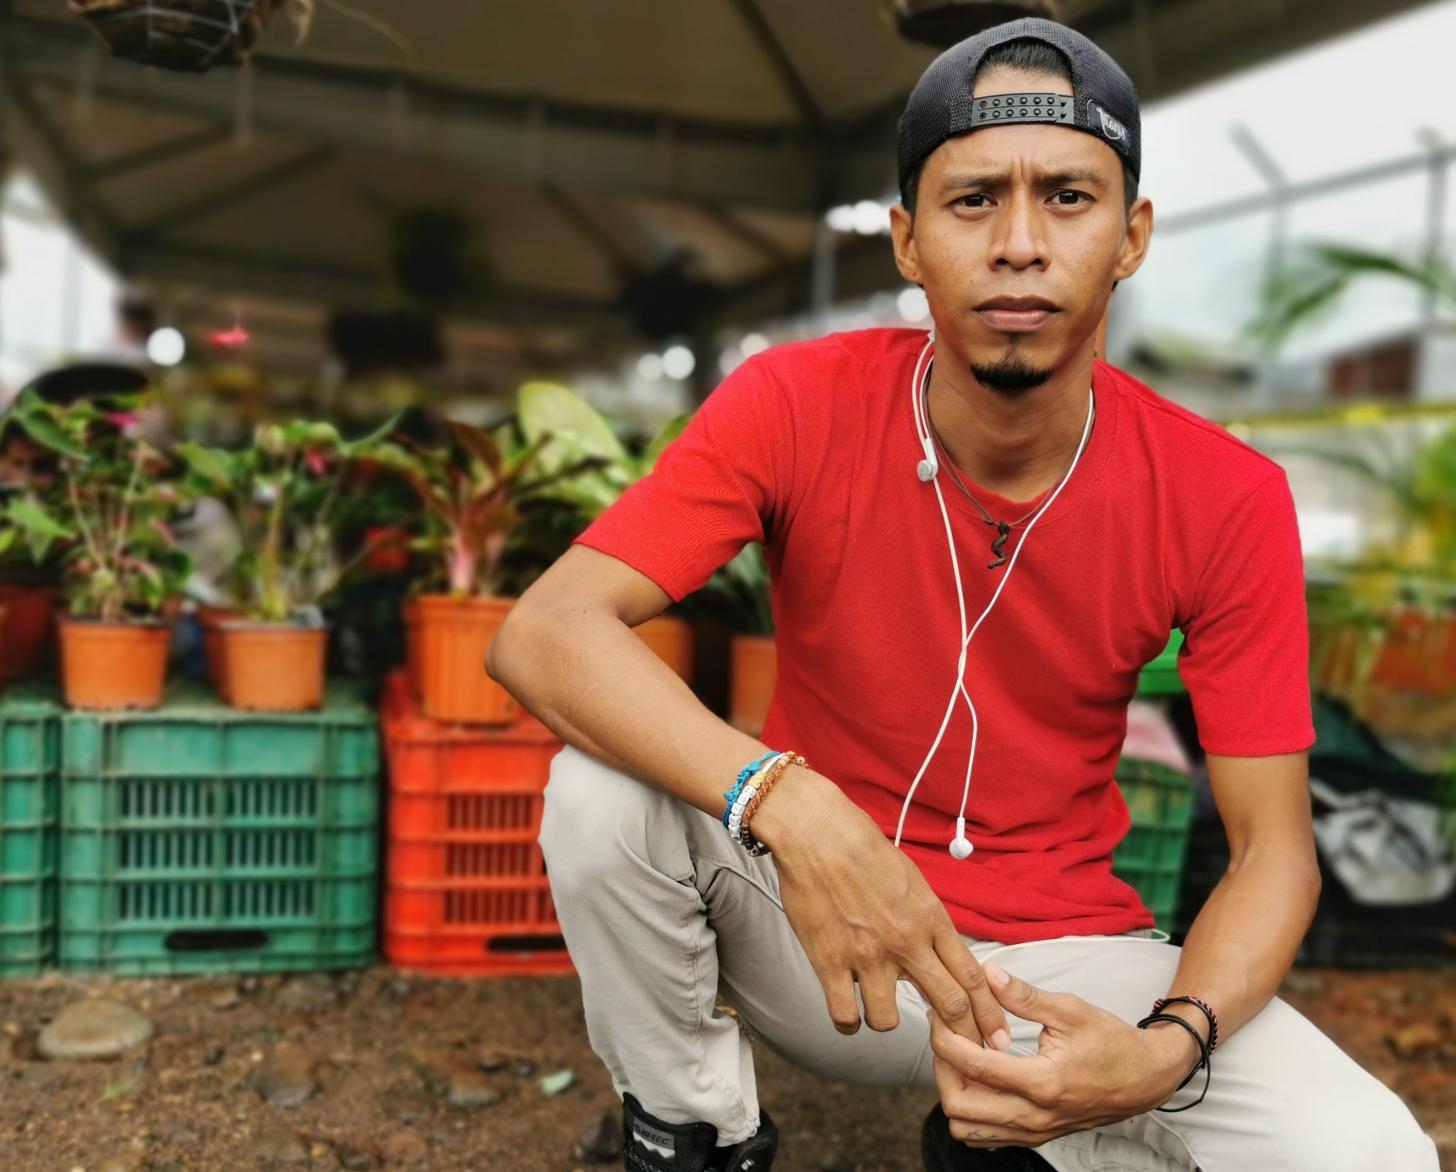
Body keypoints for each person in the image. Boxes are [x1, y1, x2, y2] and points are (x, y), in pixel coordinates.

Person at [487, 18, 1441, 1172]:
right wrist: (790, 805)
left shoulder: (1222, 491)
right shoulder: (796, 401)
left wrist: (1163, 1048)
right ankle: (694, 1130)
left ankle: (1017, 1139)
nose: (1022, 243)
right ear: (906, 240)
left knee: (1366, 1153)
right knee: (601, 792)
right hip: (814, 928)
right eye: (974, 199)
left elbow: (1273, 851)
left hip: (1062, 955)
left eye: (1070, 198)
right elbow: (544, 630)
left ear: (1132, 235)